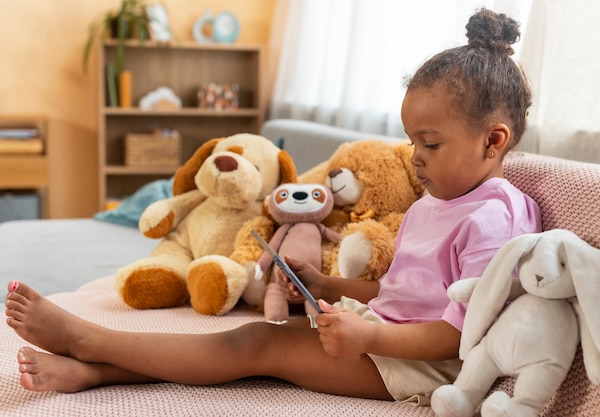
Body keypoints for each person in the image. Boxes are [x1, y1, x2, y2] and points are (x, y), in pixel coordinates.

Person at [4, 8, 541, 405]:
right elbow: (406, 291)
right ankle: (92, 370)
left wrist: (371, 335)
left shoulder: (492, 218)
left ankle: (86, 338)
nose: (414, 157)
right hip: (383, 330)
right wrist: (331, 288)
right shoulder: (437, 200)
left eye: (430, 143)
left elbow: (460, 332)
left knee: (255, 345)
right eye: (411, 140)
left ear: (493, 141)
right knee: (246, 345)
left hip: (426, 365)